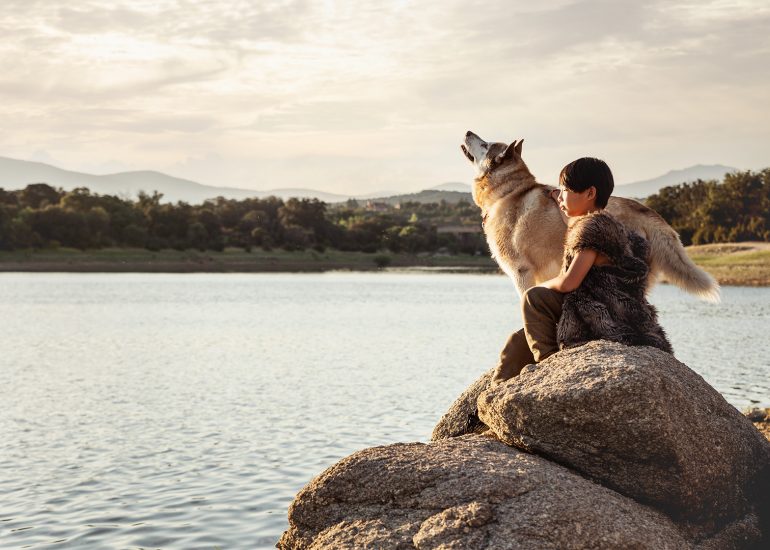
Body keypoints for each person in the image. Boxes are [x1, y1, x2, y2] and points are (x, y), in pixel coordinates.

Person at [491, 157, 672, 385]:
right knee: (518, 341)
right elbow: (574, 225)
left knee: (534, 299)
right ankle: (494, 393)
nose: (560, 194)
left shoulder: (593, 229)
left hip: (598, 313)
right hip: (599, 305)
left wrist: (541, 286)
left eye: (565, 189)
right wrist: (561, 202)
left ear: (589, 193)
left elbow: (569, 283)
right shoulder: (601, 224)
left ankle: (550, 365)